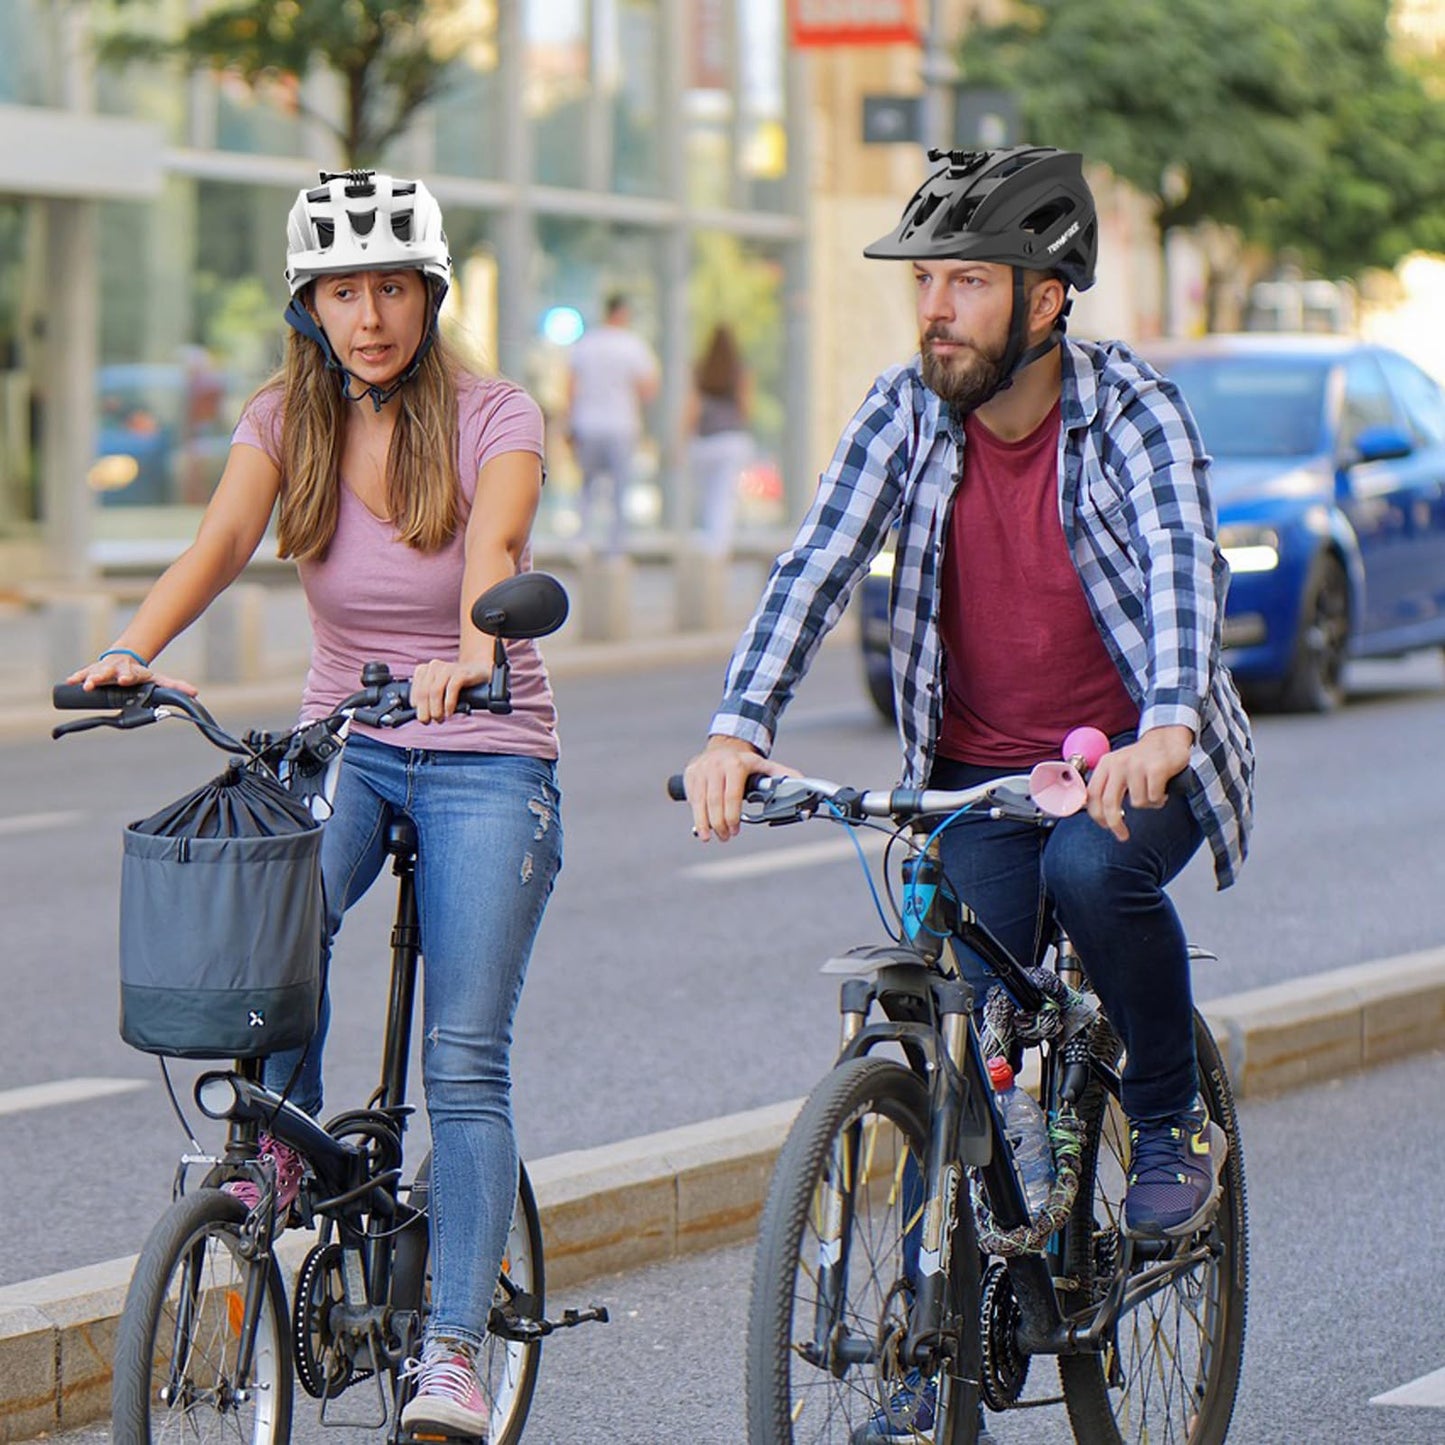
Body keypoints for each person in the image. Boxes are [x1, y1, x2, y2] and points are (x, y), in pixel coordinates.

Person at [683, 144, 1254, 1441]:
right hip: (975, 775)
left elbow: (1180, 569)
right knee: (968, 1028)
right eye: (925, 280)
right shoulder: (905, 409)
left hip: (1128, 763)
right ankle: (939, 1341)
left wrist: (1164, 724)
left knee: (1089, 872)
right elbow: (817, 557)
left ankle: (1167, 1117)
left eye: (966, 282)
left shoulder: (1133, 412)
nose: (934, 307)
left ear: (1046, 297)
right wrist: (738, 725)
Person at [68, 170, 562, 1439]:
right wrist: (135, 644)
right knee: (260, 930)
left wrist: (469, 651)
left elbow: (495, 555)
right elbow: (220, 542)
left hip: (486, 748)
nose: (370, 315)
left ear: (428, 294)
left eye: (391, 286)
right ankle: (283, 1155)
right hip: (349, 739)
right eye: (342, 291)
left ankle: (451, 1348)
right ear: (310, 306)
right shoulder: (285, 417)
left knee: (462, 1057)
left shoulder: (496, 415)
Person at [564, 291, 659, 554]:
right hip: (621, 424)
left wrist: (569, 421)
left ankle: (581, 539)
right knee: (620, 487)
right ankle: (615, 547)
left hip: (588, 423)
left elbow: (571, 386)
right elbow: (649, 388)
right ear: (623, 313)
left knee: (587, 485)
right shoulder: (632, 345)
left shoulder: (586, 343)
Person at [686, 323, 753, 556]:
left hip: (705, 441)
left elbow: (692, 408)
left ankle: (707, 541)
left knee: (706, 496)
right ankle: (720, 545)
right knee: (724, 495)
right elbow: (746, 408)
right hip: (731, 440)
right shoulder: (739, 371)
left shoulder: (701, 369)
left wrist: (682, 439)